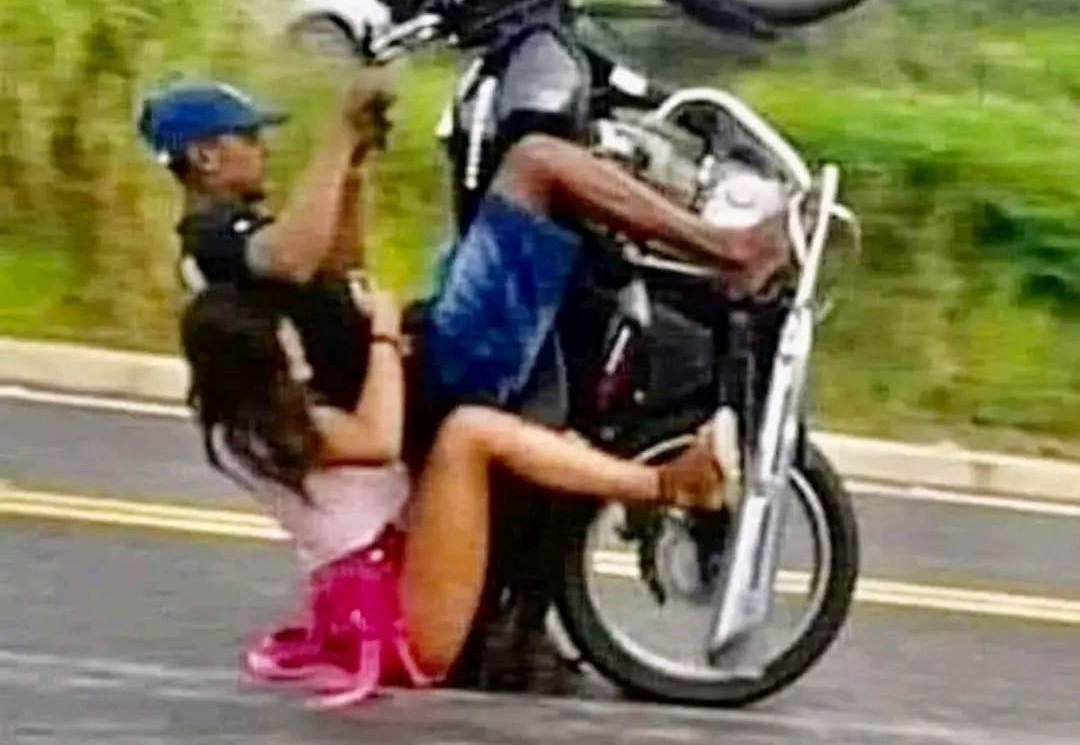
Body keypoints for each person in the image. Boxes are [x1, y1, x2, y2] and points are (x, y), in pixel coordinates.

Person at [136, 68, 790, 689]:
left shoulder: (239, 241)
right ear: (205, 156)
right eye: (248, 138)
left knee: (542, 190)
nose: (262, 149)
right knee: (534, 162)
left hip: (415, 364)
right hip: (431, 372)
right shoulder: (212, 239)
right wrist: (336, 137)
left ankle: (707, 232)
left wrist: (355, 164)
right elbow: (294, 257)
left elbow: (334, 266)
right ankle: (731, 249)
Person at [179, 277, 738, 709]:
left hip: (390, 569)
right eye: (281, 336)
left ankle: (639, 477)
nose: (293, 337)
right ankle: (668, 484)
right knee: (469, 433)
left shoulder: (245, 423)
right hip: (398, 619)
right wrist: (383, 333)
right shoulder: (263, 434)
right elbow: (379, 439)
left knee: (513, 438)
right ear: (254, 357)